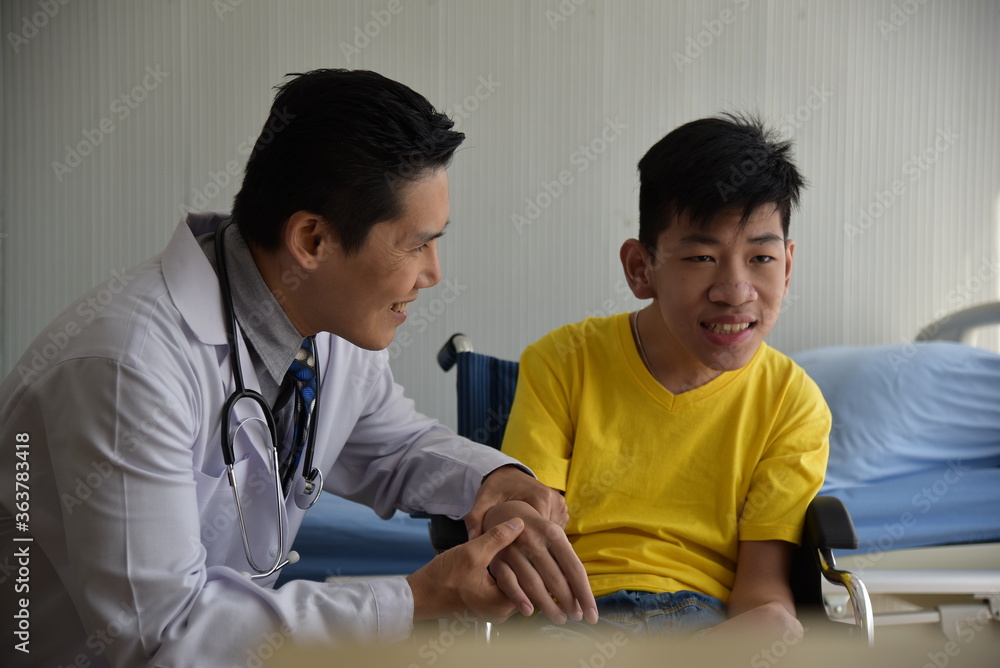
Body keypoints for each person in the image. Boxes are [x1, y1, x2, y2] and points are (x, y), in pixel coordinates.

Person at [0, 69, 595, 668]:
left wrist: (493, 481)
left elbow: (394, 445)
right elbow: (165, 638)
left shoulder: (328, 323)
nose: (434, 273)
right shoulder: (127, 369)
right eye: (417, 244)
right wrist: (418, 599)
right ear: (312, 241)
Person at [496, 114, 831, 639]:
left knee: (775, 627)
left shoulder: (793, 403)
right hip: (574, 611)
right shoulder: (564, 360)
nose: (735, 291)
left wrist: (772, 631)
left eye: (761, 257)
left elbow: (761, 585)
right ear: (641, 268)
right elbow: (532, 532)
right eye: (702, 256)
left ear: (787, 267)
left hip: (705, 629)